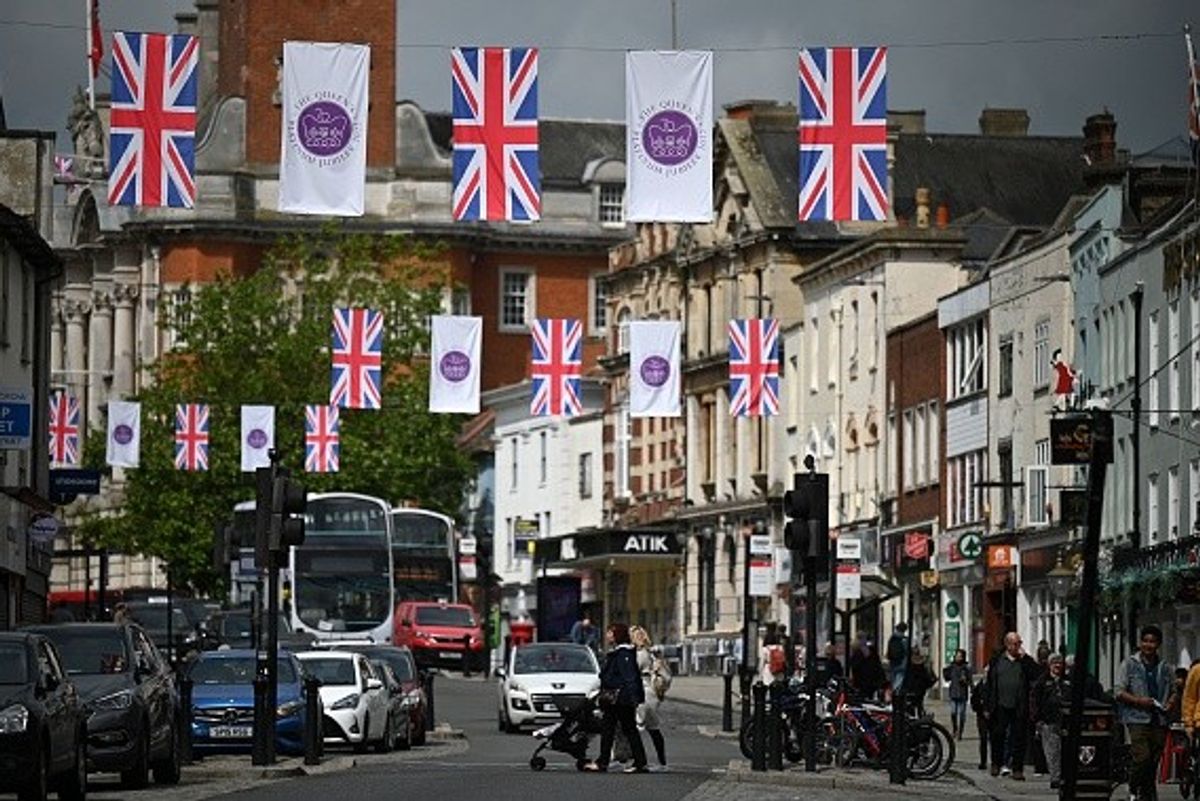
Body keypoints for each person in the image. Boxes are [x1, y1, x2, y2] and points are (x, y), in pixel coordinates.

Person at [1116, 624, 1175, 801]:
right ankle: (1133, 787)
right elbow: (1119, 691)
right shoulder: (1129, 664)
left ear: (1158, 644)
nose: (1149, 645)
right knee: (1142, 757)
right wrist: (1138, 701)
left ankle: (1147, 793)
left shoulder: (1165, 667)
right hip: (1137, 718)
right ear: (1141, 642)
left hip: (1160, 719)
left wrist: (1171, 703)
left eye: (1153, 641)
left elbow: (1173, 690)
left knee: (1154, 760)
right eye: (1146, 641)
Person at [584, 623, 648, 773]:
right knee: (617, 728)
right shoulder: (621, 653)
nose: (607, 635)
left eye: (610, 632)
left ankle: (634, 762)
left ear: (617, 635)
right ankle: (636, 761)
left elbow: (629, 677)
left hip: (619, 699)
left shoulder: (623, 654)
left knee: (619, 729)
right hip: (619, 698)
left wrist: (633, 698)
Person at [984, 631, 1041, 781]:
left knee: (1019, 738)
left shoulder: (1023, 662)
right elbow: (989, 684)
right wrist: (987, 706)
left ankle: (1017, 768)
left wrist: (1026, 658)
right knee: (998, 736)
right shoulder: (997, 660)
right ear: (1008, 645)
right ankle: (996, 763)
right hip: (1000, 704)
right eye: (1016, 643)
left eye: (1019, 643)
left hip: (1019, 706)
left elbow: (1038, 674)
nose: (1018, 646)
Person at [630, 625, 667, 771]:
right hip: (649, 692)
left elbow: (634, 671)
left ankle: (638, 760)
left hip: (644, 691)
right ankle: (661, 760)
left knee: (637, 726)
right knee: (652, 727)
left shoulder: (641, 654)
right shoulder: (650, 652)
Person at [1031, 653, 1067, 789]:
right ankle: (1055, 777)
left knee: (1065, 750)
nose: (1057, 665)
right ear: (1049, 665)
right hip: (1048, 721)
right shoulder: (1042, 681)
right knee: (1052, 751)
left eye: (1059, 663)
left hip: (1065, 721)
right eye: (1054, 663)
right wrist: (1037, 719)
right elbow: (1035, 701)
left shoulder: (1068, 681)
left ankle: (1064, 776)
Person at [943, 648, 973, 740]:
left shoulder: (966, 668)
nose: (958, 658)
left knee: (962, 714)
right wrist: (945, 672)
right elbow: (947, 678)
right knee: (953, 712)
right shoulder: (952, 666)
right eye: (957, 656)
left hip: (963, 693)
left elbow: (970, 680)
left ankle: (960, 732)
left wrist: (968, 684)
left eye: (960, 656)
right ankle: (955, 728)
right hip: (953, 693)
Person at [901, 645, 936, 717]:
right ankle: (919, 718)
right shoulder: (922, 662)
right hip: (920, 688)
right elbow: (926, 676)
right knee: (919, 705)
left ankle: (913, 718)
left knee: (911, 706)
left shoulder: (907, 663)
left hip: (911, 688)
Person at [970, 664, 991, 770]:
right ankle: (983, 762)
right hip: (981, 715)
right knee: (983, 739)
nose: (987, 674)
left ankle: (995, 762)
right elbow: (974, 699)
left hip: (992, 716)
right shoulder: (980, 685)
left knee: (993, 740)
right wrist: (979, 710)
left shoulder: (993, 685)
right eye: (986, 672)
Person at [886, 622, 909, 691]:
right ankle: (895, 693)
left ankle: (893, 692)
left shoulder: (892, 638)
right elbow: (906, 651)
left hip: (893, 662)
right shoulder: (904, 640)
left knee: (893, 678)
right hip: (902, 663)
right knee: (899, 679)